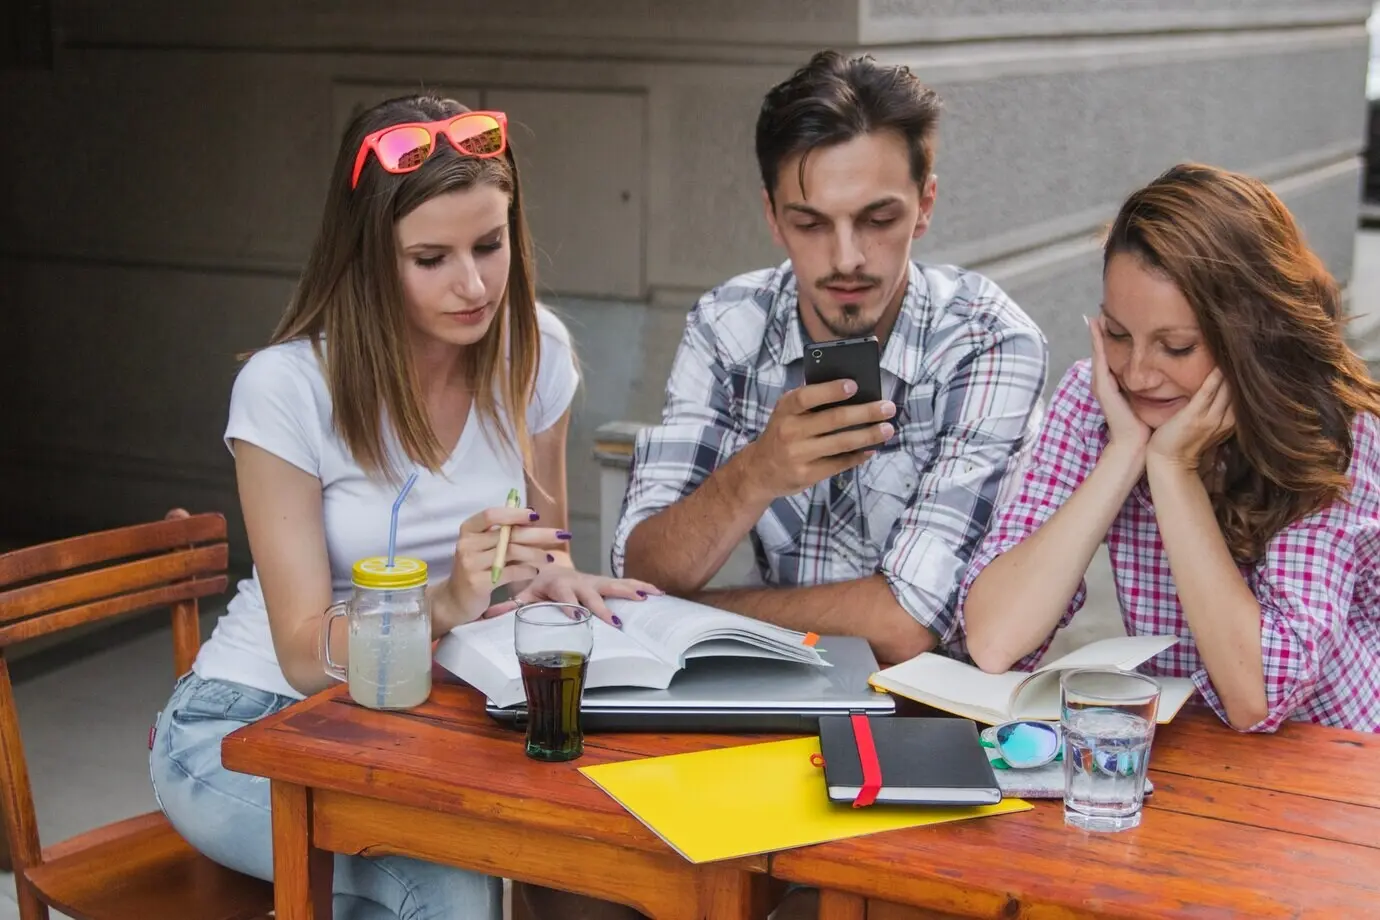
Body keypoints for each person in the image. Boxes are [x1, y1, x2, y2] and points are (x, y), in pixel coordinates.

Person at [149, 94, 658, 919]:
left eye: (490, 245)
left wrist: (556, 579)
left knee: (613, 863)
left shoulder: (535, 350)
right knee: (448, 890)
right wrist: (452, 599)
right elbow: (305, 655)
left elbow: (545, 541)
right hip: (253, 725)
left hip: (433, 713)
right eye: (431, 258)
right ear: (369, 258)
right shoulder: (286, 389)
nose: (473, 283)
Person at [612, 50, 1048, 666]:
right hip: (773, 698)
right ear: (772, 217)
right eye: (812, 223)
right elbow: (643, 566)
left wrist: (688, 617)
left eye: (877, 218)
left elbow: (905, 624)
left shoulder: (986, 341)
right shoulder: (729, 323)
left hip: (942, 716)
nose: (846, 258)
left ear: (924, 205)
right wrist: (757, 473)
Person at [959, 162, 1380, 734]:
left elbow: (1256, 694)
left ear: (1250, 339)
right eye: (1117, 333)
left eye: (1176, 347)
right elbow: (994, 639)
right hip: (1189, 754)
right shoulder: (1098, 400)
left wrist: (1173, 468)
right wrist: (1124, 453)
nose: (1137, 374)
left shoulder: (1334, 430)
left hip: (1338, 763)